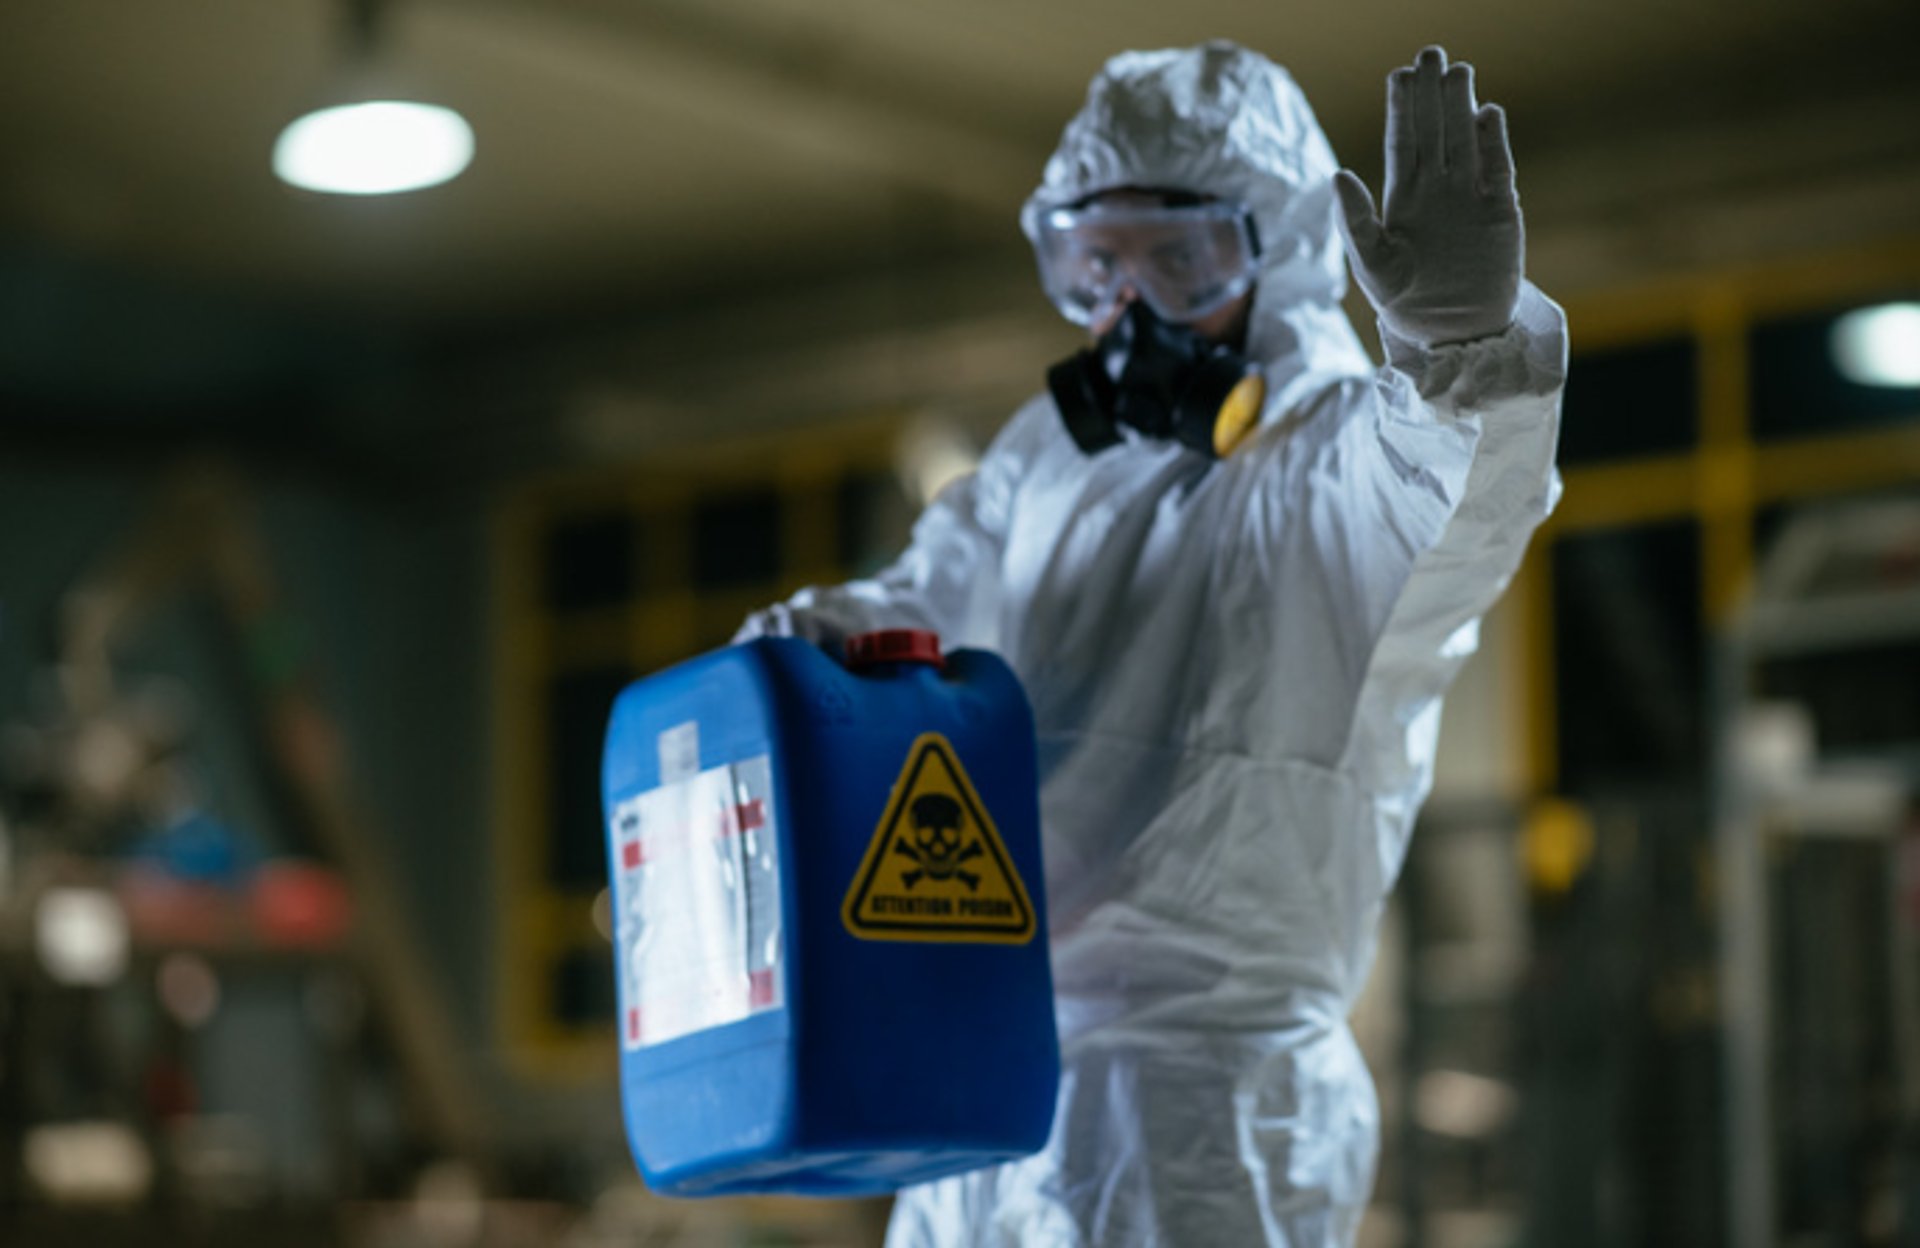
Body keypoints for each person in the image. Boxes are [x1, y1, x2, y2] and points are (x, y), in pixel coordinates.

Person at [737, 40, 1565, 1248]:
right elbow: (923, 600)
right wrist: (818, 641)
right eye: (1092, 263)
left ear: (1276, 253)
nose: (1126, 309)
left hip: (1205, 1112)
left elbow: (1457, 512)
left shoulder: (1331, 457)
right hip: (986, 1072)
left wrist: (1461, 363)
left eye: (1181, 261)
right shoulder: (1043, 458)